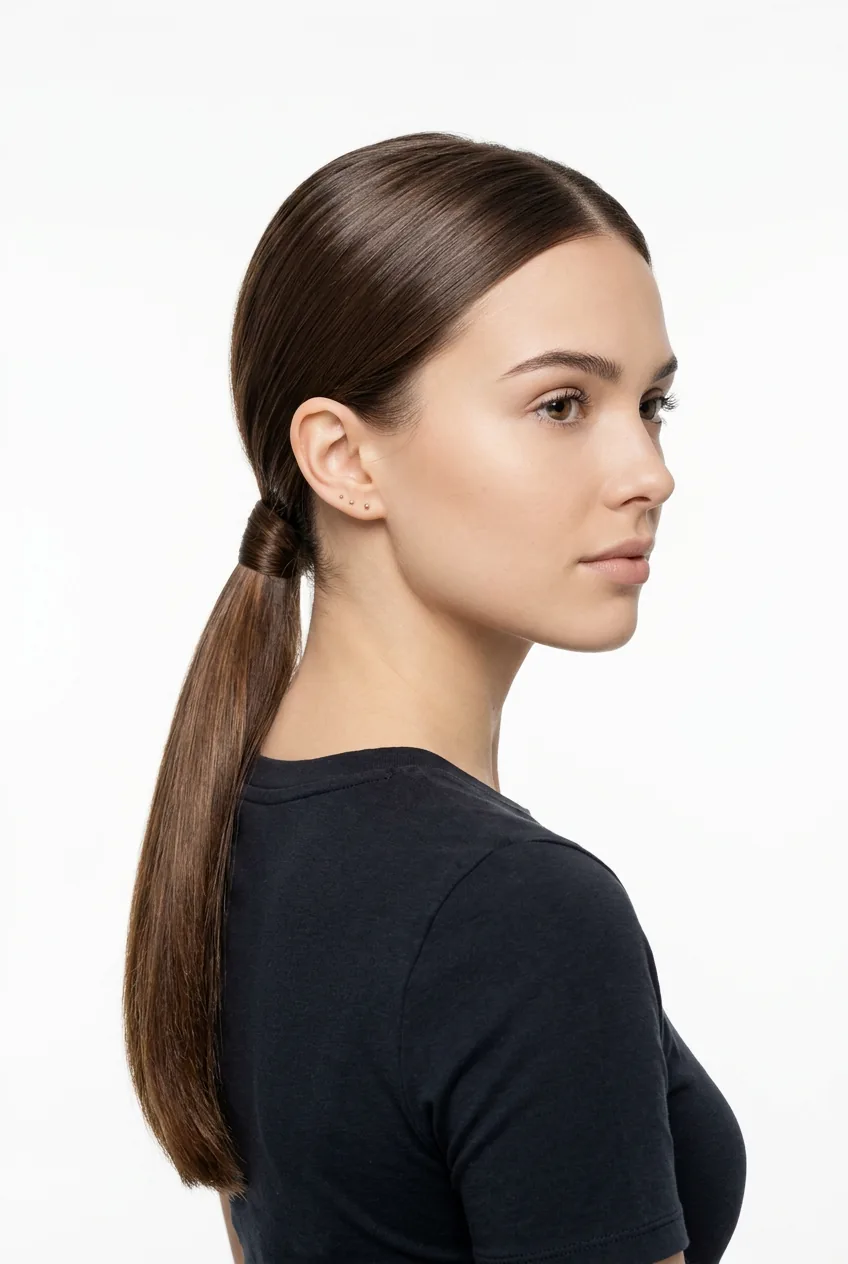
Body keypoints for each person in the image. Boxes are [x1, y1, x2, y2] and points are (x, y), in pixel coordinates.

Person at [122, 132, 746, 1264]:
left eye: (650, 403)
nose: (648, 470)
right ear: (345, 460)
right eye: (561, 403)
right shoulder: (513, 912)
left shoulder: (234, 817)